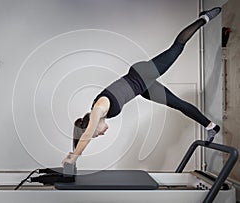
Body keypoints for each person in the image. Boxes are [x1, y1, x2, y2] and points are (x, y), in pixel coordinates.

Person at [62, 7, 222, 166]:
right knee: (178, 104)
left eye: (96, 134)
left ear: (92, 124)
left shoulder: (98, 108)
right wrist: (72, 161)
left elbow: (87, 134)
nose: (101, 134)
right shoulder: (102, 113)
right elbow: (85, 134)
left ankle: (204, 18)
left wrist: (74, 156)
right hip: (142, 88)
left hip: (142, 75)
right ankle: (211, 126)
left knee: (176, 48)